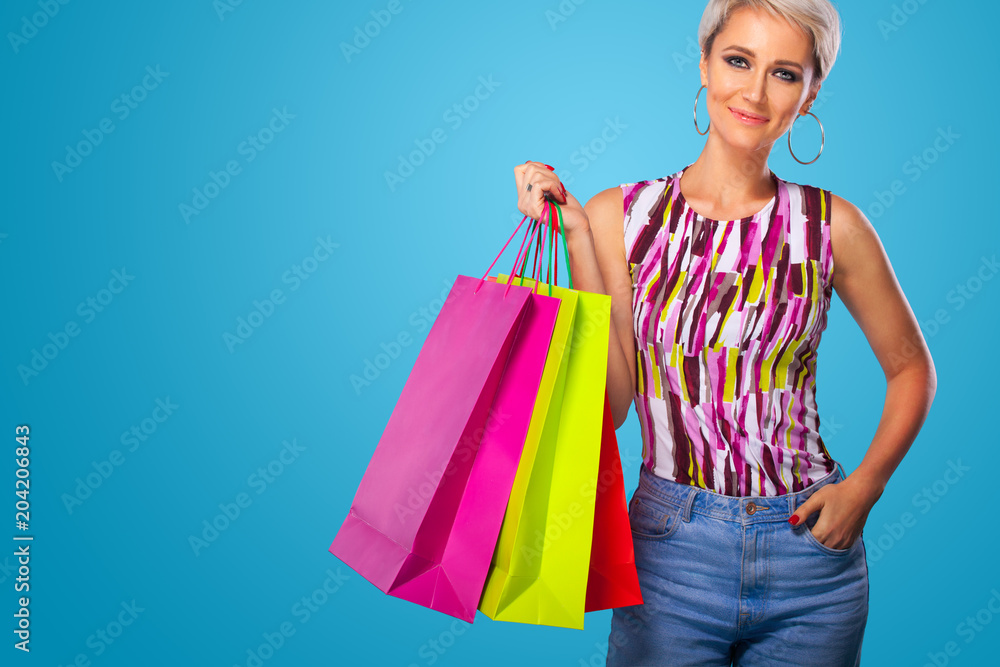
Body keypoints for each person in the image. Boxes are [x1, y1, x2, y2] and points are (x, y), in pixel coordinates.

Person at [513, 0, 937, 664]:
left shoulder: (834, 226)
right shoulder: (619, 217)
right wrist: (574, 235)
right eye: (738, 61)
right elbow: (616, 403)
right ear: (705, 64)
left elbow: (912, 367)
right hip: (670, 548)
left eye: (785, 73)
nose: (755, 92)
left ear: (811, 91)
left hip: (811, 557)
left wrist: (865, 487)